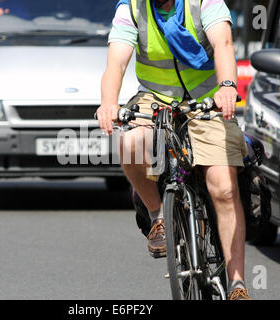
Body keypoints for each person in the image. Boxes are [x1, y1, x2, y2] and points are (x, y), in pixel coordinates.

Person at [96, 0, 251, 300]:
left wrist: (228, 85)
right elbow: (116, 62)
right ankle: (159, 218)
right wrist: (108, 102)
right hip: (155, 101)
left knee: (223, 188)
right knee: (129, 143)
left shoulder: (205, 2)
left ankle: (237, 284)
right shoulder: (131, 8)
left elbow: (224, 43)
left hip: (207, 101)